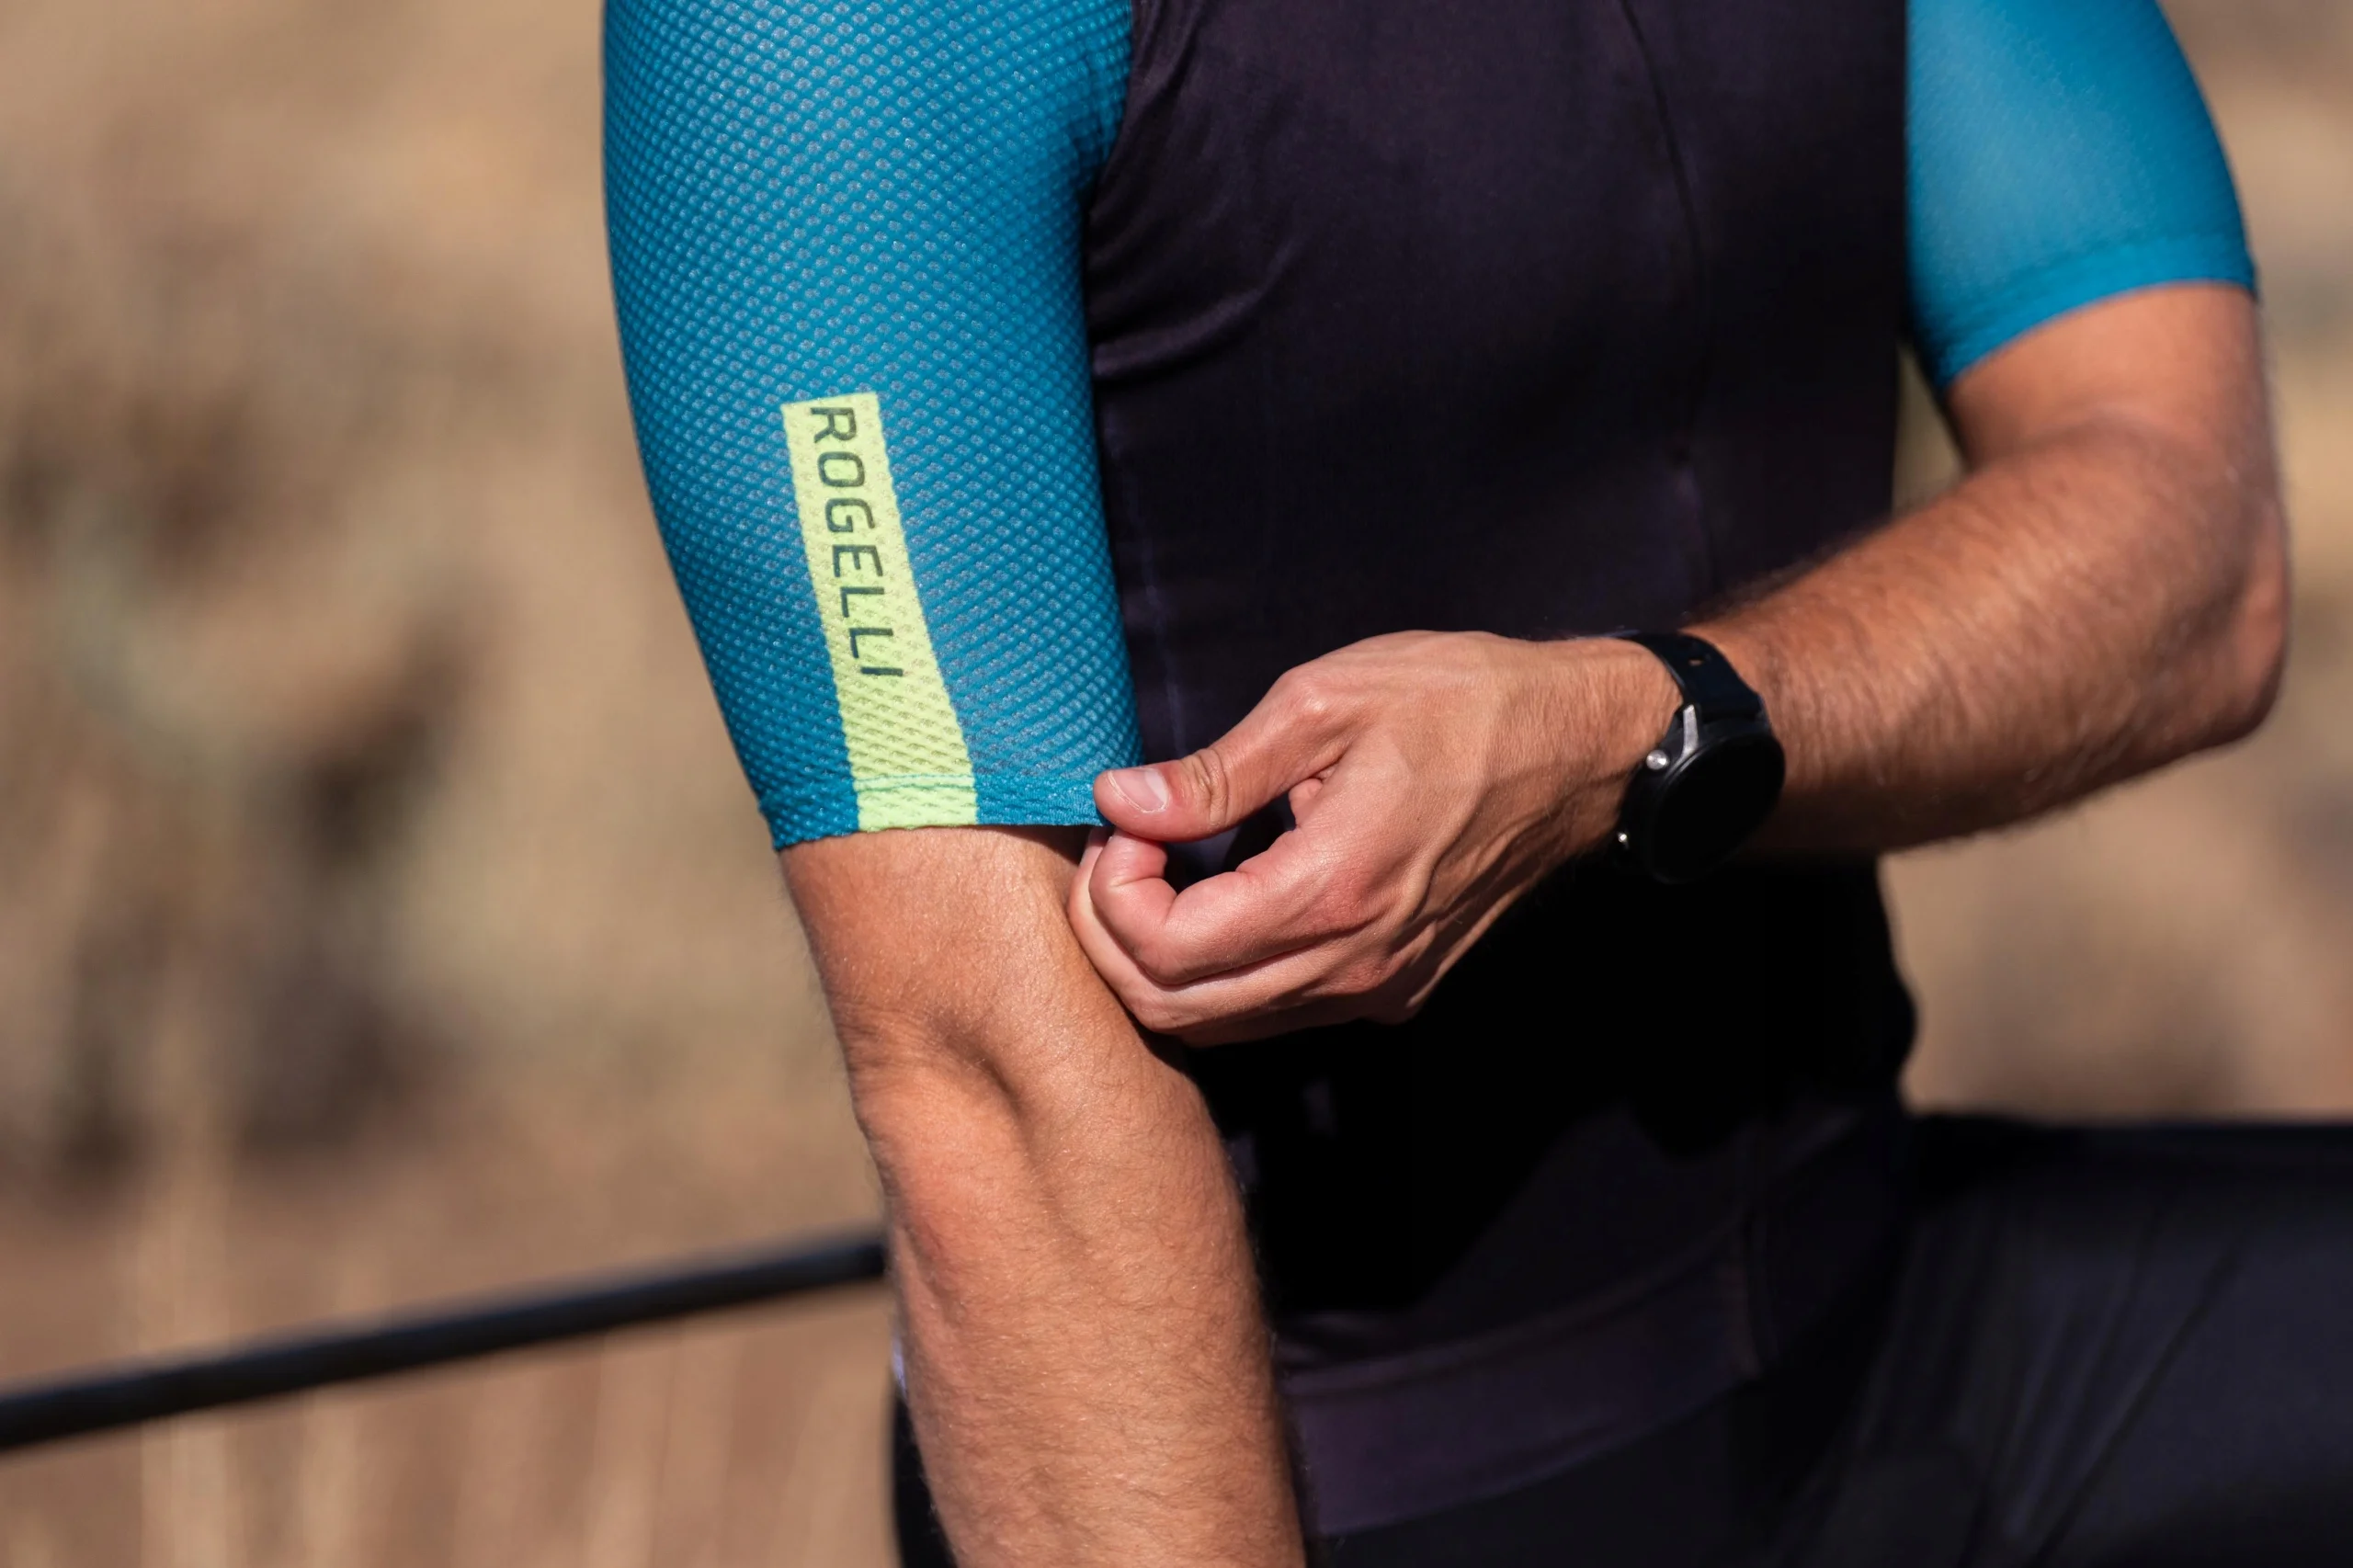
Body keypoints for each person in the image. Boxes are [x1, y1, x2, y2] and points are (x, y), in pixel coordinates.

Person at [601, 0, 2352, 1559]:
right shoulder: (820, 29)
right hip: (1342, 1483)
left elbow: (2196, 546)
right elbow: (988, 1075)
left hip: (1892, 1317)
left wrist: (1638, 729)